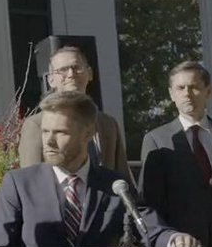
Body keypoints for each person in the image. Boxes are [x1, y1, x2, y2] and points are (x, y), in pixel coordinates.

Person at [0, 91, 200, 247]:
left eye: (60, 132)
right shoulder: (19, 185)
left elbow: (148, 228)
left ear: (87, 134)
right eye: (45, 131)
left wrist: (174, 240)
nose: (48, 141)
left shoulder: (115, 186)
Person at [139, 61, 212, 247]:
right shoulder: (156, 140)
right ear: (171, 94)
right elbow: (149, 203)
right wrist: (168, 239)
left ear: (208, 91)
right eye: (180, 88)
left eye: (194, 87)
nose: (187, 94)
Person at [18, 46, 131, 180]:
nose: (71, 74)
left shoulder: (108, 124)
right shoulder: (36, 125)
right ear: (51, 80)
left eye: (76, 67)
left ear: (90, 74)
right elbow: (31, 180)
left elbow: (123, 178)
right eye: (63, 70)